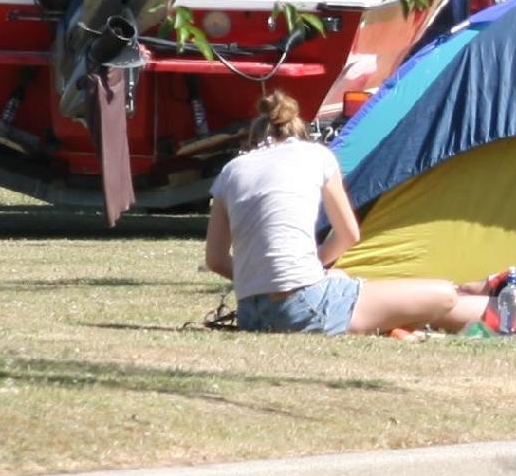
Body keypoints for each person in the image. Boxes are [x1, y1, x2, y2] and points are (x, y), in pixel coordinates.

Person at [205, 90, 486, 335]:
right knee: (444, 295)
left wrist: (258, 278)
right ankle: (505, 313)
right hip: (302, 306)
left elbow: (216, 260)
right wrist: (314, 267)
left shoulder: (231, 171)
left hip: (250, 314)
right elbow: (349, 234)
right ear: (300, 132)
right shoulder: (318, 156)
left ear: (256, 138)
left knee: (346, 284)